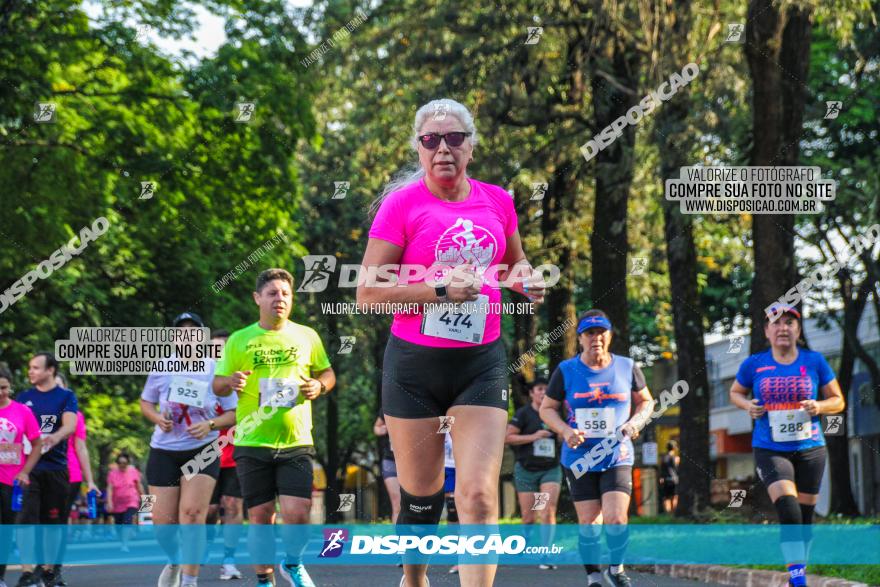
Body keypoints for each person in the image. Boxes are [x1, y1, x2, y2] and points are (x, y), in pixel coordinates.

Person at [358, 97, 544, 587]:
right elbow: (368, 293)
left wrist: (527, 278)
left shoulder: (497, 200)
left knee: (480, 497)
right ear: (419, 150)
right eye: (431, 140)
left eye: (454, 138)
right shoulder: (403, 205)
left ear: (471, 147)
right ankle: (414, 578)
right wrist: (439, 290)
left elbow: (512, 264)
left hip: (480, 364)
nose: (443, 148)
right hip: (414, 367)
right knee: (422, 496)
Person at [213, 268, 336, 587]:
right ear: (258, 299)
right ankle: (264, 579)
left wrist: (319, 387)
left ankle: (292, 563)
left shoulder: (307, 335)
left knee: (298, 513)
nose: (279, 299)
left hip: (296, 439)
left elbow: (328, 374)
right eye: (272, 293)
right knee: (261, 516)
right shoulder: (240, 339)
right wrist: (230, 381)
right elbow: (217, 385)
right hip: (253, 442)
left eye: (285, 293)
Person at [729, 305, 844, 587]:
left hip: (810, 447)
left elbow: (838, 400)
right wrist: (748, 405)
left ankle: (798, 569)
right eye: (776, 323)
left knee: (804, 518)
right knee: (789, 509)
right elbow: (735, 392)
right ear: (767, 331)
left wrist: (819, 405)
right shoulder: (754, 364)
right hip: (770, 448)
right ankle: (798, 579)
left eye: (789, 323)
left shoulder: (814, 361)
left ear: (798, 330)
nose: (783, 328)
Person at [540, 310, 655, 587]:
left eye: (601, 332)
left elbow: (646, 402)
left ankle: (615, 569)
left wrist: (634, 422)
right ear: (580, 338)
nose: (596, 338)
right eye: (589, 333)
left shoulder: (627, 367)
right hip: (580, 456)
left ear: (610, 335)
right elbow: (547, 409)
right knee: (590, 524)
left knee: (616, 518)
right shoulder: (566, 370)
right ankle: (593, 576)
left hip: (617, 454)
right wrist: (566, 431)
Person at [140, 312, 237, 587]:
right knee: (163, 524)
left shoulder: (216, 370)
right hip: (163, 450)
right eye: (181, 332)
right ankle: (174, 560)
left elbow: (233, 413)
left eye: (193, 332)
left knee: (193, 514)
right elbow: (145, 402)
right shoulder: (161, 367)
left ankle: (189, 580)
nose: (187, 337)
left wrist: (210, 424)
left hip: (202, 449)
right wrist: (157, 418)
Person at [16, 353, 79, 587]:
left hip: (56, 468)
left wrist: (55, 437)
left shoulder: (66, 396)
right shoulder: (24, 398)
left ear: (50, 370)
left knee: (52, 522)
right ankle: (27, 573)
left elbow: (70, 425)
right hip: (28, 469)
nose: (30, 372)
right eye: (29, 367)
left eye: (35, 368)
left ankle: (49, 572)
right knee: (26, 521)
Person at [506, 377, 561, 570]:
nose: (543, 392)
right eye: (539, 389)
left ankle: (546, 553)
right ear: (532, 393)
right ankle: (525, 540)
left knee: (546, 511)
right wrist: (534, 437)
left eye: (546, 389)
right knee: (529, 517)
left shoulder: (555, 413)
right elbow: (508, 437)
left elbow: (565, 436)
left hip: (549, 469)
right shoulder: (523, 414)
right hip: (526, 469)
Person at [204, 331, 244, 581]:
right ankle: (206, 541)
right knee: (208, 510)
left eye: (224, 349)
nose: (219, 354)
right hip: (204, 453)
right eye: (214, 349)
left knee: (231, 504)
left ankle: (229, 559)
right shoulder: (197, 379)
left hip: (237, 450)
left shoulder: (243, 378)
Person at [0, 365, 44, 587]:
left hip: (11, 480)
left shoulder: (22, 411)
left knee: (5, 531)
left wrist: (25, 471)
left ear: (10, 386)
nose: (0, 393)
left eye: (4, 387)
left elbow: (37, 444)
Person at [54, 373, 99, 587]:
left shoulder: (76, 416)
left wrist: (90, 481)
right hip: (36, 475)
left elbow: (81, 447)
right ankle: (36, 570)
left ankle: (53, 572)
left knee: (58, 524)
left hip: (68, 475)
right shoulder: (31, 412)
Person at [105, 453, 144, 552]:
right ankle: (124, 539)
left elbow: (139, 486)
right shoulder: (112, 473)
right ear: (117, 463)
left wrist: (145, 498)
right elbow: (109, 489)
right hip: (117, 503)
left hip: (131, 500)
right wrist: (109, 502)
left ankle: (125, 544)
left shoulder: (133, 471)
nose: (122, 465)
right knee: (118, 525)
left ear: (128, 463)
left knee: (127, 520)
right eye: (120, 463)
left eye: (125, 463)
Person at [373, 411, 400, 523]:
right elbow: (376, 427)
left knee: (415, 503)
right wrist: (385, 428)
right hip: (390, 460)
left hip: (413, 461)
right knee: (398, 504)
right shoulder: (389, 404)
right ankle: (399, 539)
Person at [442, 433, 459, 576]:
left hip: (467, 466)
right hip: (447, 467)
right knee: (453, 512)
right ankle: (457, 556)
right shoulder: (442, 419)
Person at [659, 440, 679, 514]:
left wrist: (661, 478)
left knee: (666, 498)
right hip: (674, 480)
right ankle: (674, 513)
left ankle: (668, 514)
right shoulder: (676, 458)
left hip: (665, 480)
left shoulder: (663, 458)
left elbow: (661, 469)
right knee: (674, 497)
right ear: (674, 448)